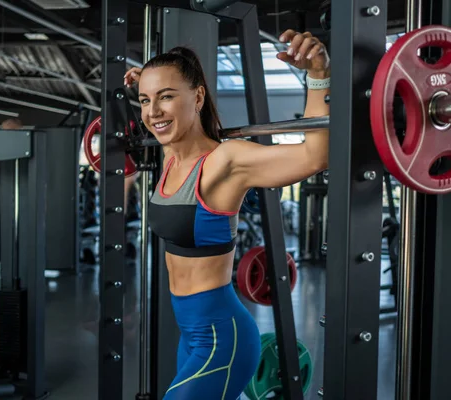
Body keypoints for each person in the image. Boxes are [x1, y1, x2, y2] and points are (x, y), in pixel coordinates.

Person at [123, 29, 330, 400]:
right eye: (145, 101)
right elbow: (160, 119)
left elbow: (314, 156)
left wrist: (318, 74)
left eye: (166, 97)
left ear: (198, 96)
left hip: (223, 337)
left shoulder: (225, 160)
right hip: (190, 334)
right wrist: (154, 88)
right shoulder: (171, 157)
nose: (152, 111)